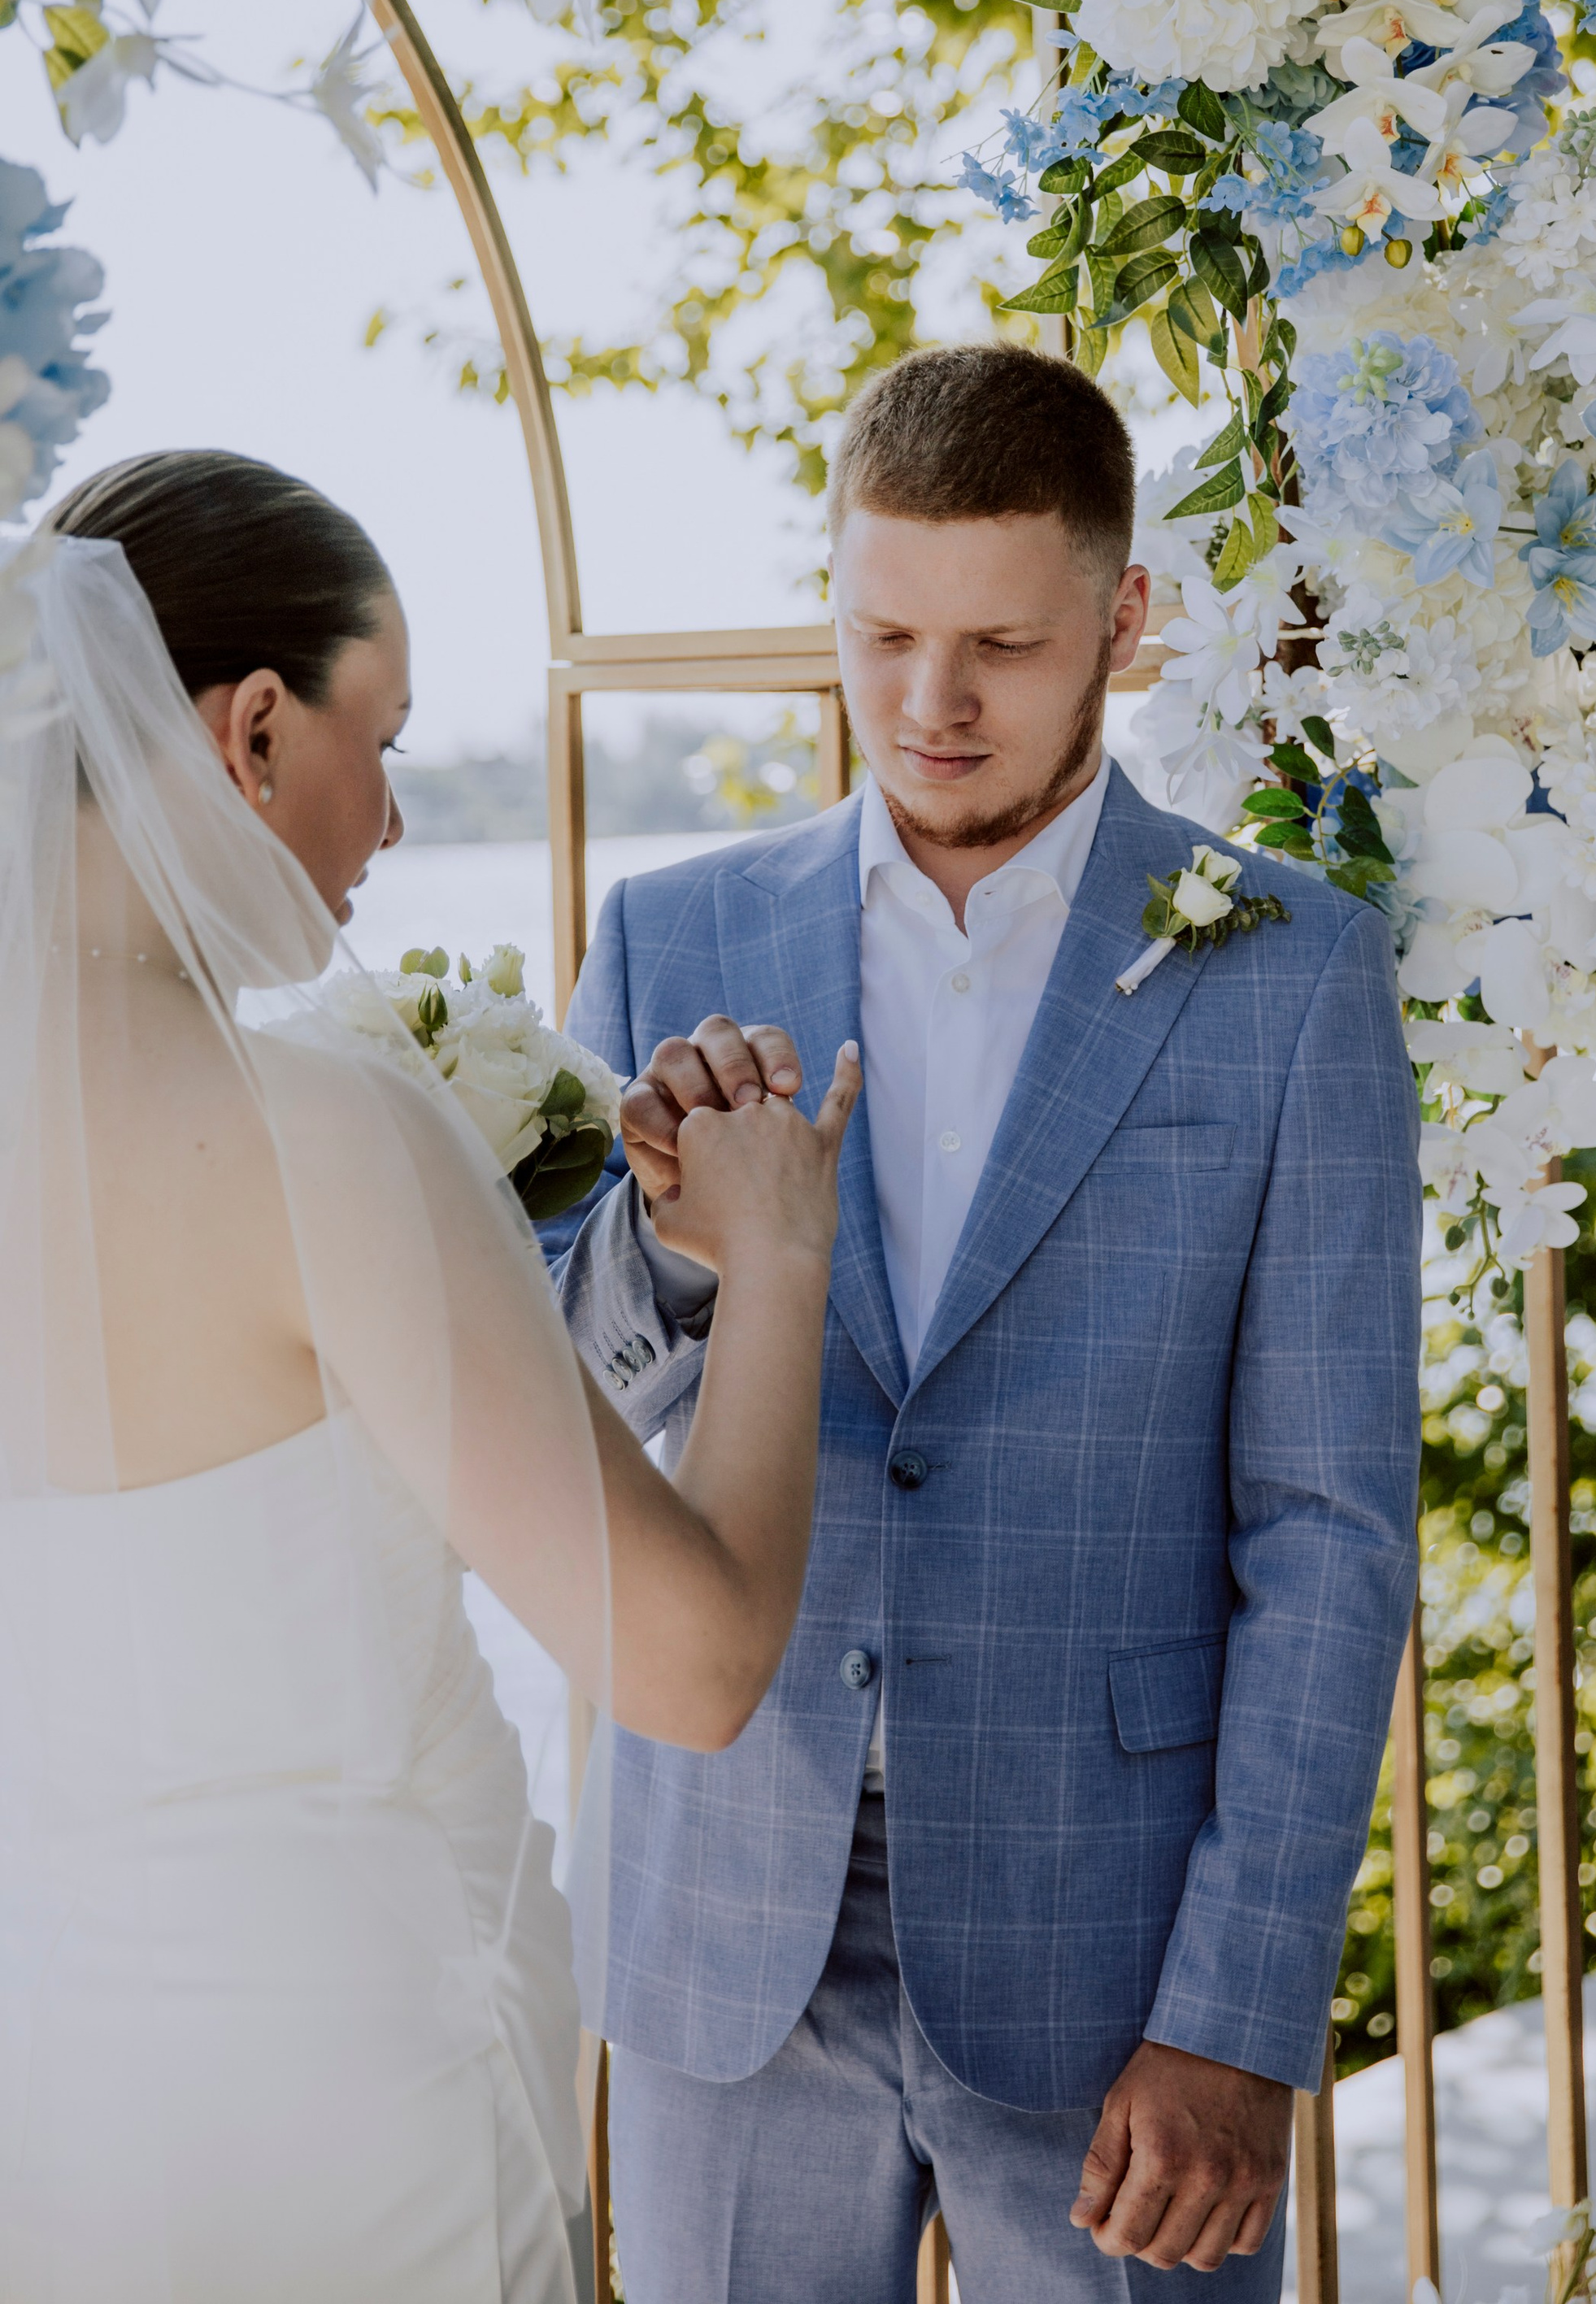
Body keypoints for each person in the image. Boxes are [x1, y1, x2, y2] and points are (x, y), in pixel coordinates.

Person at [544, 346, 1423, 2302]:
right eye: (881, 634)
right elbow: (555, 1399)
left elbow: (1332, 1532)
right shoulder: (667, 937)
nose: (929, 707)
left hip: (1118, 1959)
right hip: (725, 1914)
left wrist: (1239, 2013)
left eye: (1003, 646)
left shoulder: (1292, 973)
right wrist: (684, 1254)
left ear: (1122, 620)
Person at [0, 451, 857, 2304]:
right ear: (247, 728)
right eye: (375, 737)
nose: (389, 818)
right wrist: (775, 1258)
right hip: (351, 2085)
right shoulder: (320, 1133)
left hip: (60, 2100)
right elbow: (688, 1664)